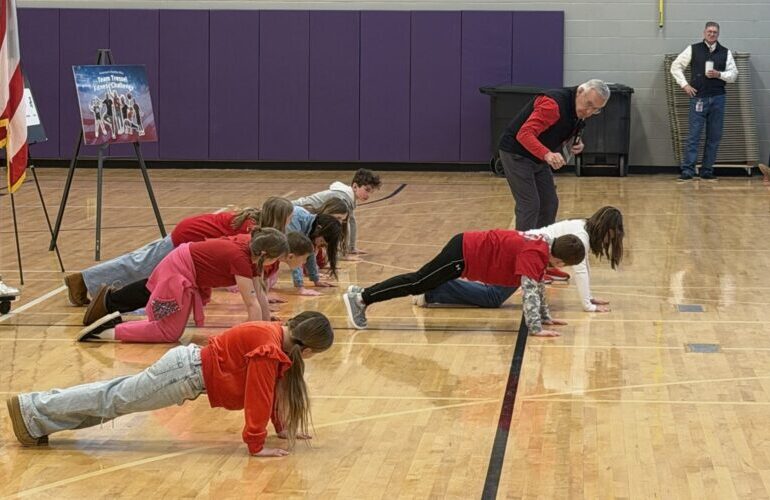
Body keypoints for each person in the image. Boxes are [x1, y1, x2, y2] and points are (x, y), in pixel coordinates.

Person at [6, 312, 334, 456]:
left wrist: (281, 428)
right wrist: (256, 444)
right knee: (113, 399)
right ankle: (33, 410)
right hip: (183, 374)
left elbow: (274, 390)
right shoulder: (270, 348)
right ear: (307, 349)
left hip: (183, 371)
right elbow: (260, 397)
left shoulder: (277, 335)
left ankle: (36, 414)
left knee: (113, 397)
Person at [342, 231, 585, 336]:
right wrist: (536, 328)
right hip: (464, 253)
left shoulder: (544, 245)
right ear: (560, 261)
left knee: (420, 281)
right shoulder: (536, 254)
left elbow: (539, 286)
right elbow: (530, 293)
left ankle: (361, 294)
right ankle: (362, 297)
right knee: (418, 282)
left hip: (466, 248)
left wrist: (545, 316)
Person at [64, 197, 294, 306]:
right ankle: (82, 280)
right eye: (289, 218)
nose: (291, 222)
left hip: (194, 240)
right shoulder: (253, 230)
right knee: (140, 265)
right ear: (280, 218)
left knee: (141, 264)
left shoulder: (259, 227)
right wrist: (258, 295)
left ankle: (94, 285)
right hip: (188, 238)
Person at [77, 228, 288, 343]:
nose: (276, 263)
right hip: (176, 276)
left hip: (182, 272)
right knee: (167, 331)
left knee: (164, 325)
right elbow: (251, 304)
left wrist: (268, 325)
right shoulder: (240, 259)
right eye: (276, 259)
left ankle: (113, 320)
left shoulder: (251, 248)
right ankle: (105, 331)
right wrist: (254, 338)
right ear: (264, 254)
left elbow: (259, 293)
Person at [415, 206, 624, 311]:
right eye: (614, 234)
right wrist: (588, 305)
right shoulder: (582, 237)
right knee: (493, 297)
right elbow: (580, 270)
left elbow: (583, 266)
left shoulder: (583, 227)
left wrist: (590, 297)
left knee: (493, 295)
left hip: (525, 249)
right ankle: (433, 291)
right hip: (525, 255)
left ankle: (437, 285)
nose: (612, 239)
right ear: (608, 230)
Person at [498, 79, 610, 233]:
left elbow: (561, 127)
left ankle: (542, 243)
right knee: (529, 205)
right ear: (580, 91)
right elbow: (524, 134)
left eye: (596, 109)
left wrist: (577, 143)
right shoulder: (553, 104)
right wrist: (547, 154)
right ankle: (522, 249)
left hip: (538, 157)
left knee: (549, 203)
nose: (589, 112)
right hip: (517, 153)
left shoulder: (579, 109)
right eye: (589, 104)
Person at [670, 21, 738, 182]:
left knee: (714, 136)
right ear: (704, 33)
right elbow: (675, 66)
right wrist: (685, 84)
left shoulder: (725, 52)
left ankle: (707, 171)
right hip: (698, 98)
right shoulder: (693, 49)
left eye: (715, 32)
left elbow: (734, 75)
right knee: (693, 136)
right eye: (709, 31)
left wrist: (719, 75)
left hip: (718, 98)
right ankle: (688, 171)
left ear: (718, 34)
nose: (712, 34)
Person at [292, 168, 381, 255]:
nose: (368, 195)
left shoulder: (349, 198)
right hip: (293, 209)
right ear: (354, 186)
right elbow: (341, 228)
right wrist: (344, 253)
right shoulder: (343, 199)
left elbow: (352, 222)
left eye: (371, 192)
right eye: (367, 190)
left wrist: (352, 247)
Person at [286, 207, 344, 296]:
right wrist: (300, 287)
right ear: (319, 228)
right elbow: (295, 253)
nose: (319, 246)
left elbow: (310, 252)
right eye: (321, 242)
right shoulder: (295, 219)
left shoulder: (311, 226)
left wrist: (315, 279)